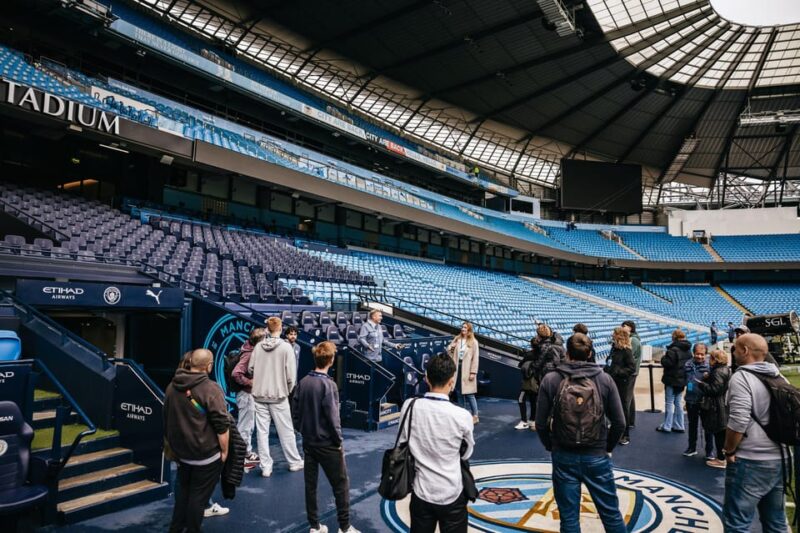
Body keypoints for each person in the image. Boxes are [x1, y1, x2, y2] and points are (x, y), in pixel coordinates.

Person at [535, 333, 627, 533]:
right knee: (611, 515)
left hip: (563, 455)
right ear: (590, 353)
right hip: (596, 454)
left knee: (568, 519)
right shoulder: (605, 379)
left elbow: (540, 423)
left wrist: (551, 445)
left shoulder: (551, 379)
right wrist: (607, 447)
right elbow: (620, 423)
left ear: (567, 353)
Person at [398, 354, 474, 533]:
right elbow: (466, 453)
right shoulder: (462, 415)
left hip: (421, 491)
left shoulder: (409, 406)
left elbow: (402, 442)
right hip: (451, 492)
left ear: (426, 378)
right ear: (451, 381)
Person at [722, 333, 789, 532]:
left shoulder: (742, 377)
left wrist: (729, 450)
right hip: (781, 457)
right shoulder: (778, 375)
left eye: (735, 348)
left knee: (737, 523)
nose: (733, 352)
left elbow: (739, 421)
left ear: (744, 351)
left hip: (751, 459)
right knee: (776, 522)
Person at [292, 341, 360, 533]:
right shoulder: (328, 385)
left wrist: (303, 430)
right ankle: (345, 527)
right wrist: (338, 442)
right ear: (331, 360)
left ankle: (314, 526)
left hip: (308, 443)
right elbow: (333, 418)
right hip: (328, 444)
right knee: (341, 485)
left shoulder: (303, 382)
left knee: (310, 486)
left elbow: (295, 413)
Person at [164, 349, 230, 533]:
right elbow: (221, 425)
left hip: (182, 454)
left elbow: (166, 418)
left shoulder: (171, 386)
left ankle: (175, 529)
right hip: (205, 455)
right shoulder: (211, 389)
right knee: (198, 499)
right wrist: (224, 451)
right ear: (209, 366)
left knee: (183, 495)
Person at [249, 316, 303, 477]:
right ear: (280, 329)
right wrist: (285, 390)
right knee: (286, 431)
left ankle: (266, 467)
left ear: (268, 329)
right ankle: (294, 462)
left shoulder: (258, 347)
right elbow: (291, 377)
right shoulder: (286, 348)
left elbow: (251, 369)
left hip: (259, 395)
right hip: (279, 396)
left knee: (262, 432)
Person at [232, 327, 265, 468]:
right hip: (246, 395)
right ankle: (242, 457)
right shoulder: (249, 354)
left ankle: (245, 452)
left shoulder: (249, 349)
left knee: (248, 426)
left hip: (247, 395)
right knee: (245, 427)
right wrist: (250, 382)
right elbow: (236, 373)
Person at [698, 349, 731, 469]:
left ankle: (721, 459)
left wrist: (702, 384)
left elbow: (715, 390)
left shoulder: (718, 372)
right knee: (721, 433)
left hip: (717, 406)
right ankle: (722, 457)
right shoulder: (725, 369)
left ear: (715, 359)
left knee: (719, 433)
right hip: (722, 404)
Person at [682, 343, 714, 459]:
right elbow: (685, 379)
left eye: (702, 354)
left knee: (708, 427)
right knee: (692, 425)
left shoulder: (710, 365)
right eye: (697, 354)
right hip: (691, 400)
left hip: (705, 401)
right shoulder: (687, 364)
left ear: (706, 354)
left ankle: (709, 451)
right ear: (693, 353)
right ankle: (691, 448)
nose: (699, 356)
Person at [657, 329, 692, 433]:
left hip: (671, 379)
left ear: (674, 337)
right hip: (682, 380)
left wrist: (663, 357)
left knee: (669, 402)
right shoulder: (688, 350)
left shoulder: (673, 350)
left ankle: (667, 426)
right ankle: (679, 425)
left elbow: (667, 363)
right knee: (678, 402)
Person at [606, 327, 635, 445]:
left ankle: (625, 434)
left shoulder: (626, 351)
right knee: (611, 407)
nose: (612, 336)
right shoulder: (614, 349)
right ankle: (616, 429)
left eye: (614, 334)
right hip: (612, 381)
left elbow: (631, 368)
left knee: (622, 409)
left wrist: (618, 372)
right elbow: (611, 362)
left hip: (622, 384)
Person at [447, 322, 480, 424]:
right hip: (457, 369)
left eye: (465, 327)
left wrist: (473, 372)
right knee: (459, 393)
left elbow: (475, 358)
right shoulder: (457, 339)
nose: (463, 329)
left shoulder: (474, 342)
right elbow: (449, 352)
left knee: (469, 394)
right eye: (462, 327)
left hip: (467, 369)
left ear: (469, 330)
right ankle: (462, 414)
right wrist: (452, 346)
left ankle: (475, 415)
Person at [621, 320, 641, 429]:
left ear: (629, 327)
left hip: (630, 373)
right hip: (633, 372)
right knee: (630, 397)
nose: (622, 328)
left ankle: (626, 422)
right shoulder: (634, 338)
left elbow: (627, 356)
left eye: (624, 326)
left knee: (626, 399)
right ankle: (631, 421)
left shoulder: (632, 340)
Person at [515, 338, 539, 431]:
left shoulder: (529, 354)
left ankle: (524, 421)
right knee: (533, 401)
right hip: (538, 381)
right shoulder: (542, 355)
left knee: (521, 399)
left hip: (528, 382)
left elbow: (520, 365)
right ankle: (532, 420)